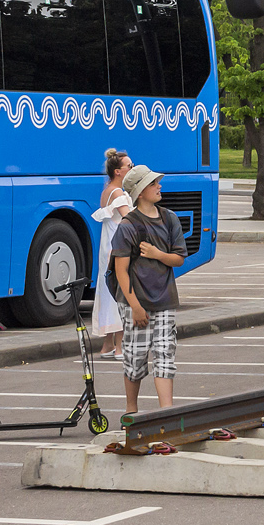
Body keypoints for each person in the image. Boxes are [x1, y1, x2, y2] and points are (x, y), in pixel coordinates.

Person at [111, 165, 187, 413]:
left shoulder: (170, 219)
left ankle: (167, 413)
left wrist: (157, 254)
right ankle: (131, 411)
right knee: (135, 357)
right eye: (153, 183)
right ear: (140, 192)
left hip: (164, 299)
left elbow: (178, 259)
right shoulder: (128, 226)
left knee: (165, 355)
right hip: (137, 303)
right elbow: (120, 271)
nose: (159, 186)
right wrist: (135, 306)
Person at [88, 149, 132, 359]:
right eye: (129, 167)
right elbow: (128, 218)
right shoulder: (118, 194)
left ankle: (107, 345)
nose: (131, 169)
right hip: (118, 247)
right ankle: (120, 347)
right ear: (118, 171)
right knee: (121, 294)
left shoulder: (107, 191)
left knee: (109, 292)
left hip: (108, 247)